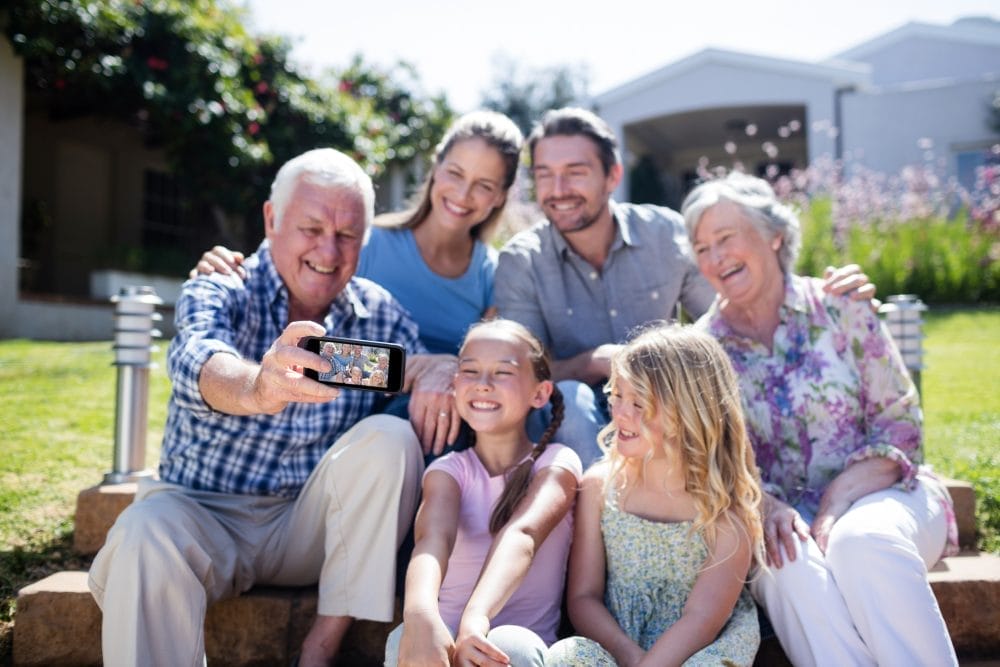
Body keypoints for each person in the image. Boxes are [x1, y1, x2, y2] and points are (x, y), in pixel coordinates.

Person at [88, 148, 458, 667]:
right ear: (271, 219)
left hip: (305, 529)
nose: (328, 251)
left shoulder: (378, 312)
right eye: (311, 228)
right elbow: (200, 362)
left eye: (348, 235)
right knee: (141, 531)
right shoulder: (222, 286)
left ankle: (321, 647)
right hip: (202, 513)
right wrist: (258, 387)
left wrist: (439, 368)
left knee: (390, 440)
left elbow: (411, 365)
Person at [681, 171, 959, 666]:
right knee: (787, 567)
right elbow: (713, 462)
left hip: (886, 493)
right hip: (776, 520)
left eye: (725, 238)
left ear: (773, 233)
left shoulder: (841, 307)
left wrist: (835, 503)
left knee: (861, 541)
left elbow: (900, 425)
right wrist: (764, 505)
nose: (715, 257)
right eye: (702, 248)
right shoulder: (704, 350)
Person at [494, 107, 876, 466]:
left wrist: (828, 304)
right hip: (568, 418)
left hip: (663, 399)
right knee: (574, 401)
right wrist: (591, 362)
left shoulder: (666, 234)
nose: (558, 189)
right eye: (545, 174)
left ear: (613, 176)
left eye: (575, 172)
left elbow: (731, 315)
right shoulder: (521, 260)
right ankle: (607, 523)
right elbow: (528, 377)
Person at [191, 110, 523, 450]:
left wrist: (438, 369)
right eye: (455, 172)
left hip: (444, 410)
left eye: (484, 185)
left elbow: (485, 362)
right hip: (361, 413)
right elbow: (291, 260)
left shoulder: (491, 274)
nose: (464, 193)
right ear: (436, 166)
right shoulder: (365, 242)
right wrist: (231, 265)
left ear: (500, 196)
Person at [546, 324, 765, 666]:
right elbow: (583, 597)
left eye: (639, 403)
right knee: (567, 656)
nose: (620, 413)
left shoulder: (725, 512)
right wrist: (629, 655)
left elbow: (702, 620)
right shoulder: (600, 487)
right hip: (618, 646)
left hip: (693, 651)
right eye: (617, 396)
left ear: (690, 412)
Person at [384, 319, 582, 667]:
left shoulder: (557, 464)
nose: (483, 385)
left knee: (512, 644)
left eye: (503, 372)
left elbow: (522, 535)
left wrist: (475, 620)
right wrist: (419, 614)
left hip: (504, 646)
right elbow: (432, 539)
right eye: (470, 371)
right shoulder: (449, 470)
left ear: (540, 393)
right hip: (443, 641)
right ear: (455, 381)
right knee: (403, 637)